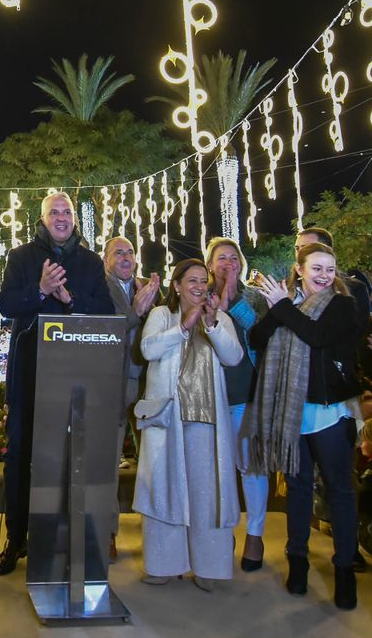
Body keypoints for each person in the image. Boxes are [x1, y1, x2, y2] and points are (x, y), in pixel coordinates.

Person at [0, 192, 115, 575]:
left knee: (71, 458)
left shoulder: (91, 262)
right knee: (21, 456)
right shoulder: (21, 257)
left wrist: (71, 300)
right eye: (54, 213)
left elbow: (106, 311)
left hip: (77, 376)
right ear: (42, 219)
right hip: (31, 373)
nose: (61, 218)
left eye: (67, 212)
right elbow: (7, 305)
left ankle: (68, 540)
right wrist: (41, 290)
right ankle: (16, 539)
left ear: (74, 219)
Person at [244, 241, 364, 609]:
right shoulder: (288, 305)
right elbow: (256, 338)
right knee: (296, 490)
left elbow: (318, 336)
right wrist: (278, 310)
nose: (324, 276)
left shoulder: (343, 305)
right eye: (316, 268)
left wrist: (283, 308)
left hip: (330, 414)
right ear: (300, 270)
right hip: (292, 414)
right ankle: (298, 563)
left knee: (339, 491)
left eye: (330, 269)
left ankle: (344, 569)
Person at [134, 259, 243, 590]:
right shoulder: (161, 316)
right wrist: (183, 325)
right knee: (164, 490)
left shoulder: (219, 317)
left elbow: (234, 357)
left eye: (203, 282)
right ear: (177, 285)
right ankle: (164, 565)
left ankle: (209, 567)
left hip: (207, 422)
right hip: (168, 419)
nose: (199, 286)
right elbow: (148, 349)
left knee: (206, 494)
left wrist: (209, 325)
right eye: (192, 280)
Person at [206, 237, 272, 572]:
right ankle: (224, 530)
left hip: (247, 391)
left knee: (251, 466)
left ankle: (256, 534)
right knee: (219, 470)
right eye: (221, 258)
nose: (228, 263)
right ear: (209, 263)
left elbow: (261, 333)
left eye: (234, 257)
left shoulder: (255, 297)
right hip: (210, 394)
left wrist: (232, 299)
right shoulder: (199, 294)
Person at [103, 235, 161, 561]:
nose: (126, 257)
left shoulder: (147, 289)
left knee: (154, 460)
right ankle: (108, 532)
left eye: (130, 252)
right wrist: (136, 309)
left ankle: (157, 531)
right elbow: (107, 331)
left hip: (148, 384)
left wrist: (151, 303)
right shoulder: (99, 289)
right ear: (106, 259)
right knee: (108, 462)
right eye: (118, 252)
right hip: (113, 382)